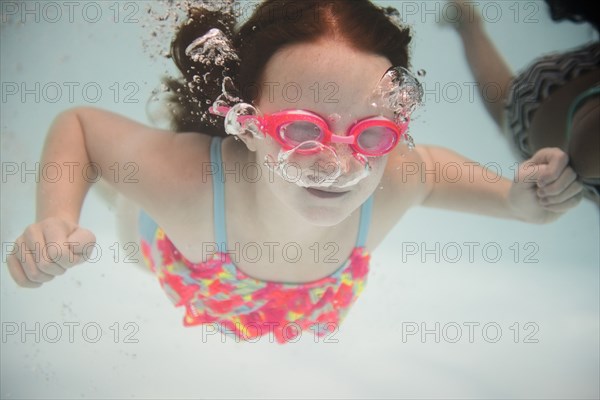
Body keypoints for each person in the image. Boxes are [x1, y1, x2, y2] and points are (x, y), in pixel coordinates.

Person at [5, 0, 583, 344]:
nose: (339, 165)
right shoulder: (188, 183)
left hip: (281, 305)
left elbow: (456, 180)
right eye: (303, 129)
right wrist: (56, 218)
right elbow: (81, 127)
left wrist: (525, 200)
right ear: (248, 121)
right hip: (169, 239)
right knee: (125, 205)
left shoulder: (397, 177)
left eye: (371, 134)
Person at [447, 0, 599, 203]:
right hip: (549, 103)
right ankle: (466, 21)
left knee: (505, 105)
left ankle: (466, 21)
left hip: (557, 101)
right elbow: (584, 154)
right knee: (506, 106)